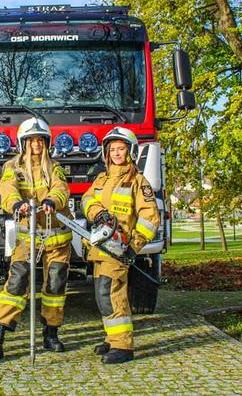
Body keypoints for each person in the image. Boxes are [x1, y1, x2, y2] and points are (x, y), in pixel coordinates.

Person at [0, 117, 73, 363]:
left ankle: (51, 334)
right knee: (16, 283)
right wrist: (16, 204)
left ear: (46, 142)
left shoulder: (54, 167)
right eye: (31, 140)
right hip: (28, 238)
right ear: (24, 143)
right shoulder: (13, 166)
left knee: (55, 285)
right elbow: (6, 189)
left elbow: (61, 189)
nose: (36, 144)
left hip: (57, 238)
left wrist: (52, 201)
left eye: (40, 140)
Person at [81, 127, 160, 364]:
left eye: (121, 148)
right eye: (112, 149)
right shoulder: (102, 178)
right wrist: (99, 214)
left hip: (119, 249)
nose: (116, 153)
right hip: (99, 248)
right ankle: (113, 338)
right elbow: (87, 200)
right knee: (102, 294)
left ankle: (123, 346)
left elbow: (150, 218)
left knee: (111, 293)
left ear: (130, 151)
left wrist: (133, 246)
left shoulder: (137, 181)